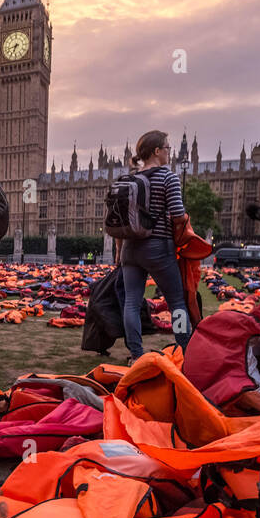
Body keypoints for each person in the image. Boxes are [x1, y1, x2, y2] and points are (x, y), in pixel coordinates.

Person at [112, 131, 192, 361]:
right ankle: (186, 349)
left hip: (129, 249)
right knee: (177, 302)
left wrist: (119, 250)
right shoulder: (168, 178)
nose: (170, 152)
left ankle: (136, 355)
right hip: (158, 247)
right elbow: (178, 215)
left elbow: (119, 221)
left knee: (131, 303)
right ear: (157, 151)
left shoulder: (127, 181)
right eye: (167, 148)